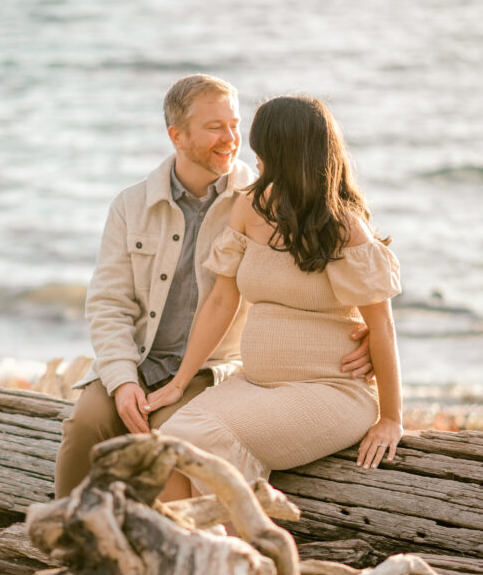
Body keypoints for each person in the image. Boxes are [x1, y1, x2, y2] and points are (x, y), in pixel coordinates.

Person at [54, 77, 375, 498]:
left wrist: (364, 331)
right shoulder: (130, 205)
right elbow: (108, 304)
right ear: (177, 136)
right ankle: (70, 538)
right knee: (85, 425)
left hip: (209, 371)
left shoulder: (260, 199)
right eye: (215, 128)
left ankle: (160, 543)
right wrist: (121, 378)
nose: (232, 140)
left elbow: (333, 249)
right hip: (140, 361)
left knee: (166, 436)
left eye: (235, 124)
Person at [145, 95, 402, 500]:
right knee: (168, 441)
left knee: (201, 435)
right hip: (256, 385)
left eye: (262, 148)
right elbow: (220, 302)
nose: (255, 157)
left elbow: (381, 324)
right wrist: (180, 381)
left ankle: (243, 552)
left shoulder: (345, 227)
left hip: (330, 392)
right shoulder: (250, 206)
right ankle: (195, 551)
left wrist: (391, 417)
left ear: (286, 153)